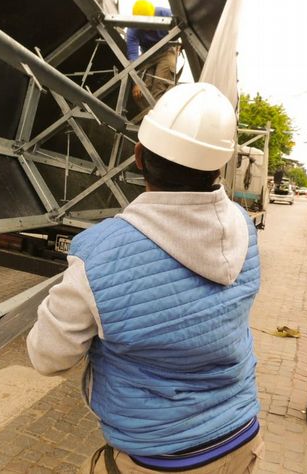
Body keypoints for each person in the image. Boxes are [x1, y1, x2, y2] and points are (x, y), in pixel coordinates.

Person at [27, 82, 264, 473]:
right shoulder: (244, 227)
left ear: (138, 156)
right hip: (242, 436)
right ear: (219, 167)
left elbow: (48, 356)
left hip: (159, 458)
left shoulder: (100, 252)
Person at [127, 0, 179, 107]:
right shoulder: (132, 29)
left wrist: (180, 44)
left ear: (154, 14)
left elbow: (182, 26)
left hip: (166, 50)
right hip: (147, 56)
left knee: (160, 85)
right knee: (140, 92)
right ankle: (149, 113)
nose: (147, 27)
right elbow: (133, 56)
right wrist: (137, 82)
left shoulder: (165, 14)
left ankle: (162, 112)